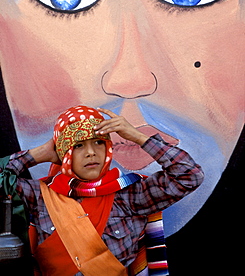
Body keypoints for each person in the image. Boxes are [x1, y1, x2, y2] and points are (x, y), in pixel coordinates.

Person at [1, 105, 204, 275]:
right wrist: (37, 154)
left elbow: (189, 175)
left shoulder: (131, 195)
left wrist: (137, 137)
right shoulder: (40, 196)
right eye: (78, 145)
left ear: (108, 147)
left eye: (99, 142)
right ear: (63, 152)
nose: (91, 153)